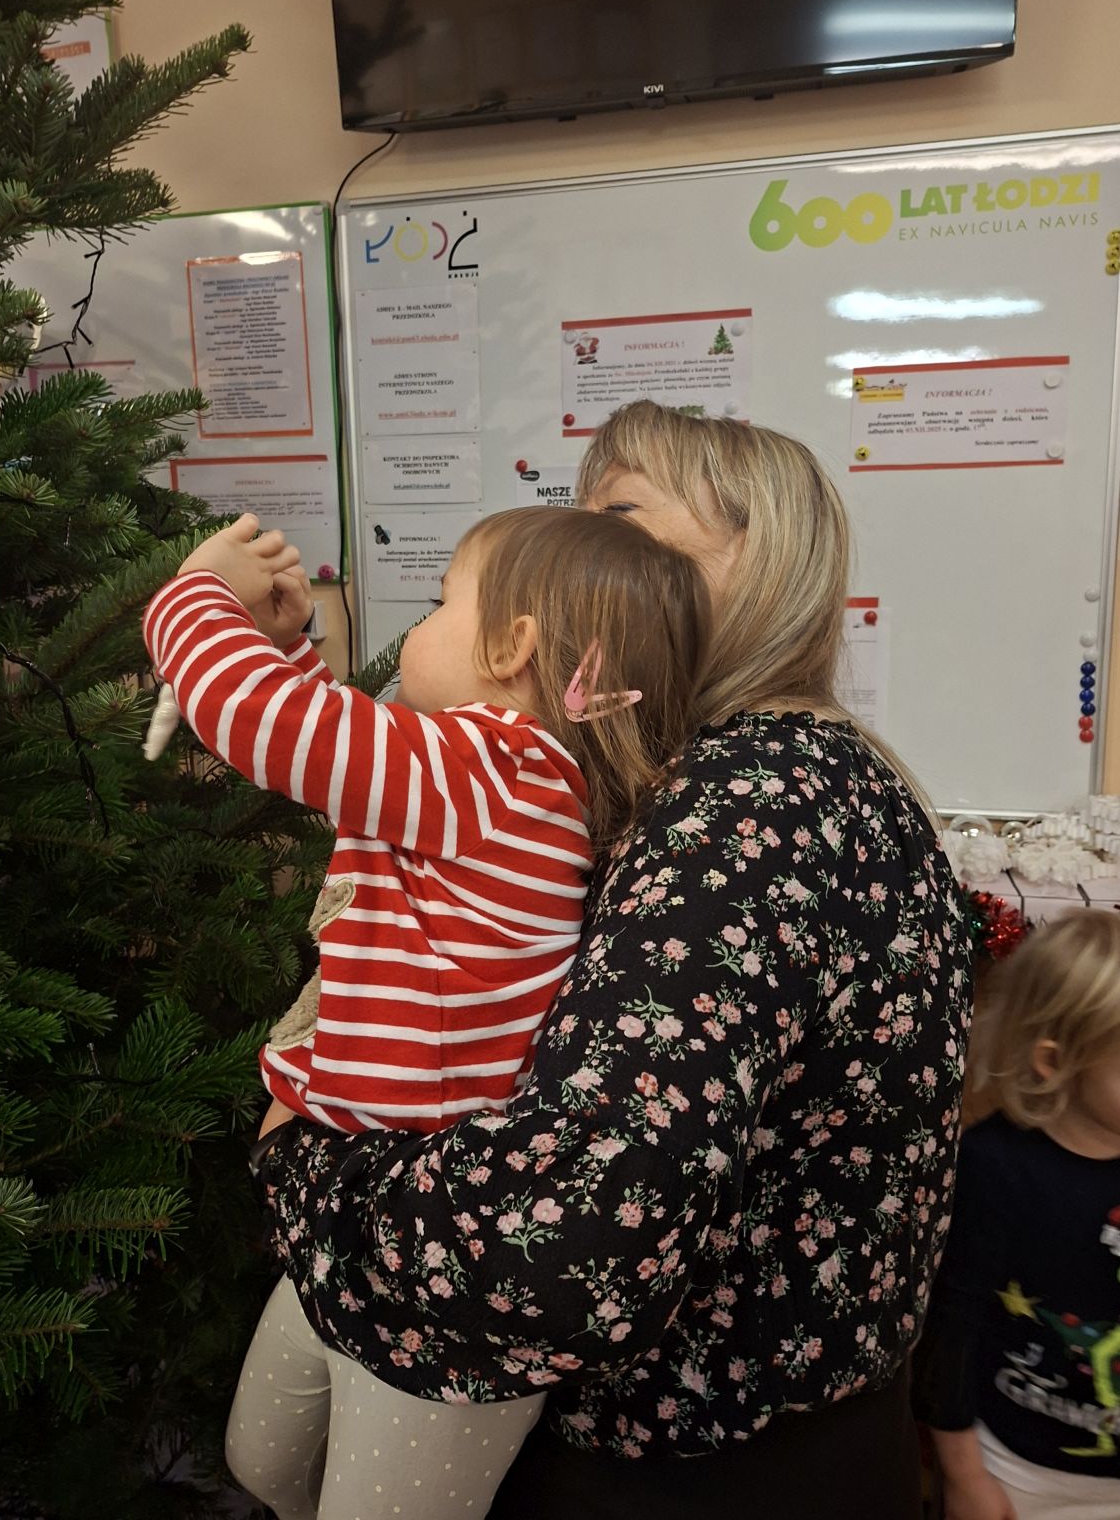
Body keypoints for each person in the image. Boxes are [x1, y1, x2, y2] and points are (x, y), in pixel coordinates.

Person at [251, 400, 973, 1520]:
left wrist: (301, 1164)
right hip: (772, 1441)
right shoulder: (772, 776)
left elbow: (563, 1240)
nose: (572, 556)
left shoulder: (743, 809)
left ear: (766, 563)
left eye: (621, 522)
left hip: (696, 1475)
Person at [141, 501, 710, 1520]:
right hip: (362, 1219)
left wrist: (197, 592)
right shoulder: (486, 777)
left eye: (441, 603)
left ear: (511, 648)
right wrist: (289, 646)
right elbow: (343, 755)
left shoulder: (496, 767)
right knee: (263, 1462)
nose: (421, 626)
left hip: (433, 1290)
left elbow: (273, 726)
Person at [913, 910, 1120, 1520]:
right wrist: (963, 1475)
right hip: (1018, 1469)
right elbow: (951, 1331)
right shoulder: (994, 1167)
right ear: (1055, 1061)